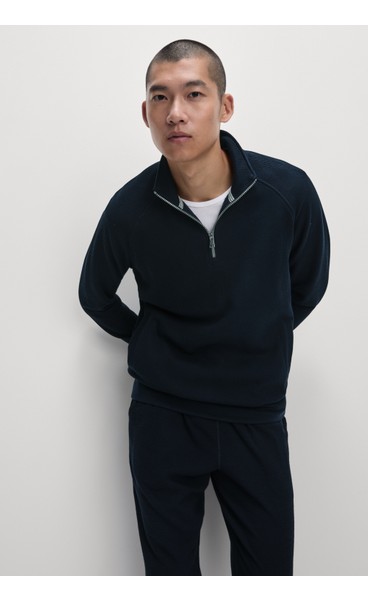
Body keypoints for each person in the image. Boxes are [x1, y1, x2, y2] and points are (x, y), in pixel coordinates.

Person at [78, 39, 330, 576]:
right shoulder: (129, 208)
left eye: (194, 94)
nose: (176, 112)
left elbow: (308, 285)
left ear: (225, 106)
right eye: (160, 97)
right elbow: (94, 294)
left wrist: (261, 329)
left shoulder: (286, 192)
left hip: (256, 414)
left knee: (268, 575)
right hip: (163, 416)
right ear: (146, 113)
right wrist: (151, 340)